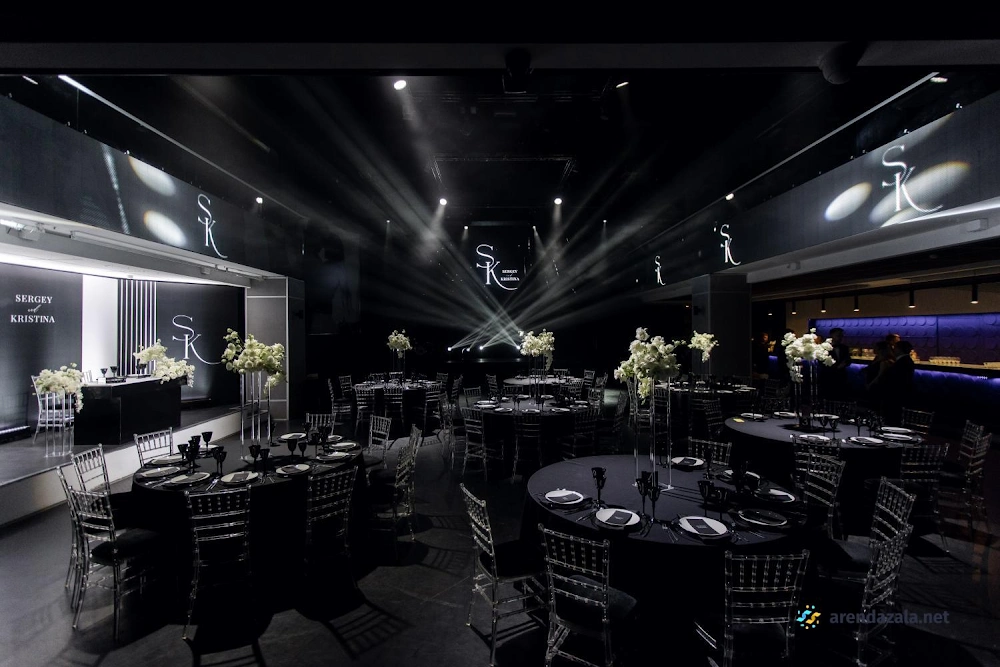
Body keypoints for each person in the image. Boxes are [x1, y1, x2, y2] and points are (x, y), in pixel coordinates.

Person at [880, 340, 915, 426]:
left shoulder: (904, 361)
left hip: (897, 393)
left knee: (893, 417)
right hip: (897, 393)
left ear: (899, 349)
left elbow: (897, 378)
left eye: (895, 348)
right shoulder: (904, 360)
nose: (893, 350)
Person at [821, 327, 852, 399]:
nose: (841, 338)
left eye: (841, 336)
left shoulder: (845, 347)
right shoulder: (824, 348)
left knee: (840, 396)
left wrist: (845, 364)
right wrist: (836, 367)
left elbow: (848, 360)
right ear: (831, 335)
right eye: (838, 335)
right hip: (828, 377)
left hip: (841, 376)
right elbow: (822, 362)